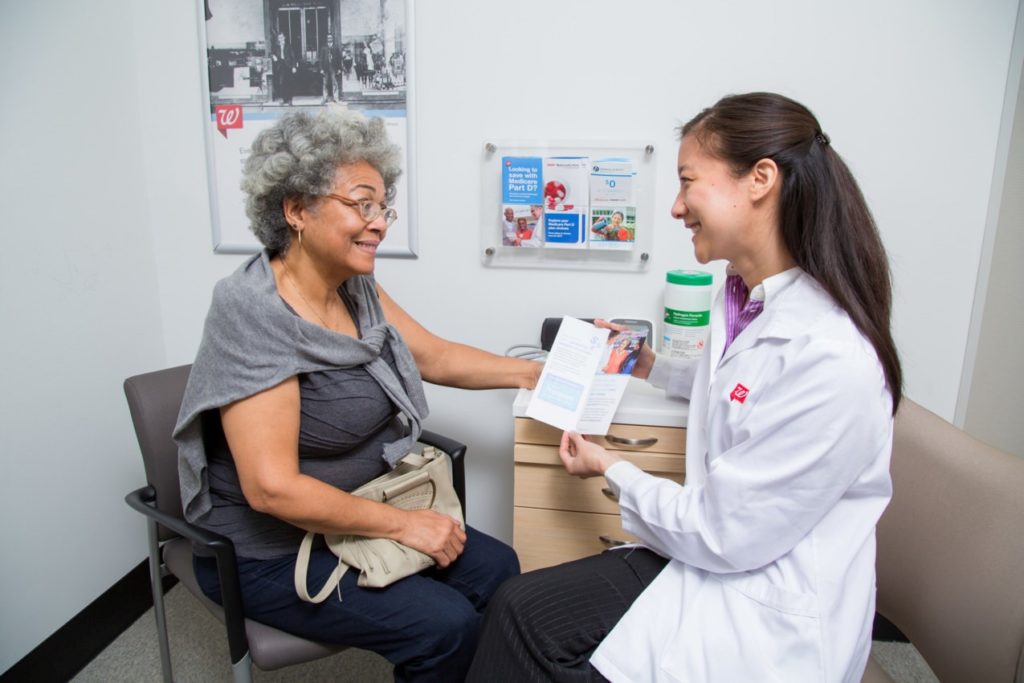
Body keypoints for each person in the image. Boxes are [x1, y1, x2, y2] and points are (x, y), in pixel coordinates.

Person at [467, 92, 903, 682]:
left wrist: (612, 469)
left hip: (764, 609)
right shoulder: (746, 294)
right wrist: (648, 363)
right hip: (721, 557)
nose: (675, 207)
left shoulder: (832, 357)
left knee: (536, 634)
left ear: (760, 179)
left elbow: (722, 532)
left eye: (687, 181)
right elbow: (738, 387)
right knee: (519, 607)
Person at [174, 107, 542, 682]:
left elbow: (434, 356)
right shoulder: (252, 312)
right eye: (360, 204)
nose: (379, 224)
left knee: (498, 568)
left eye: (382, 207)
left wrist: (530, 376)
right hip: (267, 554)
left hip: (364, 511)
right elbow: (271, 489)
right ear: (295, 210)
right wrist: (401, 526)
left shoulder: (355, 287)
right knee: (444, 626)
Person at [271, 31, 297, 105]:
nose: (281, 39)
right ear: (278, 39)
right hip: (281, 66)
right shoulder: (276, 47)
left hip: (288, 66)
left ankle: (290, 100)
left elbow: (293, 57)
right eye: (279, 38)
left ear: (284, 38)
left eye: (282, 37)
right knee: (282, 83)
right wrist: (273, 56)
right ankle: (284, 99)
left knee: (289, 83)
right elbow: (271, 53)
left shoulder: (289, 46)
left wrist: (294, 67)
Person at [318, 33, 343, 103]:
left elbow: (339, 59)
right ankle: (325, 98)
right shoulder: (323, 48)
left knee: (334, 83)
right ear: (327, 39)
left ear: (332, 39)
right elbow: (321, 59)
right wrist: (321, 69)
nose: (329, 39)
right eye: (328, 38)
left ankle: (336, 98)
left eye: (330, 38)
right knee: (325, 83)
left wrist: (339, 69)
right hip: (325, 68)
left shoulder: (335, 48)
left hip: (333, 68)